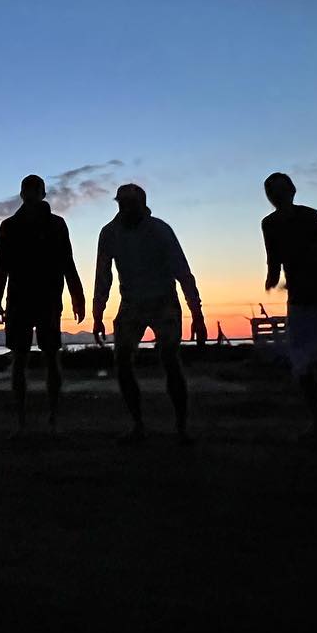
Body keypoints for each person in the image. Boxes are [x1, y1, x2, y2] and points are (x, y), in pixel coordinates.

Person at [92, 183, 206, 444]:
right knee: (121, 361)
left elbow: (182, 271)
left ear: (142, 204)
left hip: (163, 301)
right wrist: (97, 314)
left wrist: (196, 313)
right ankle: (138, 425)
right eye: (122, 203)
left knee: (169, 358)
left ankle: (181, 427)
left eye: (131, 203)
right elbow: (103, 276)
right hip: (131, 303)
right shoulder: (109, 233)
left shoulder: (160, 230)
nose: (126, 208)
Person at [0, 174, 86, 431]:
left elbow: (67, 261)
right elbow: (1, 265)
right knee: (22, 358)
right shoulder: (10, 226)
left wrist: (77, 295)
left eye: (34, 191)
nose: (31, 195)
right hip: (22, 300)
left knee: (48, 356)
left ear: (41, 194)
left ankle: (50, 417)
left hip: (46, 299)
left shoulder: (55, 225)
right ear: (24, 194)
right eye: (29, 191)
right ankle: (25, 420)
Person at [262, 172, 317, 440]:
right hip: (300, 300)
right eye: (271, 191)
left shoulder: (310, 216)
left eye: (279, 189)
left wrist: (285, 276)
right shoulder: (269, 223)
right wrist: (273, 280)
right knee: (302, 364)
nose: (276, 195)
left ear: (291, 190)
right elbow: (273, 261)